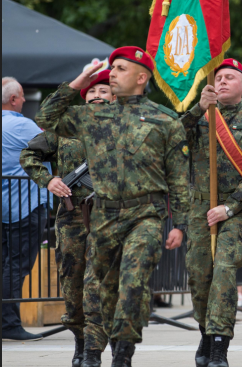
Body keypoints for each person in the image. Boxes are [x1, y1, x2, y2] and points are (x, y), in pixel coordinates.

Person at [33, 46, 189, 366]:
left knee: (132, 284)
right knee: (96, 288)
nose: (112, 74)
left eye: (120, 69)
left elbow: (178, 177)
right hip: (103, 214)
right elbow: (45, 118)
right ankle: (91, 352)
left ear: (141, 77)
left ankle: (123, 353)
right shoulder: (94, 115)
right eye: (112, 68)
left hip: (144, 215)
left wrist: (179, 223)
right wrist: (79, 81)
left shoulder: (164, 120)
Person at [179, 58, 242, 367]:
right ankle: (206, 333)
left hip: (235, 210)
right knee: (199, 274)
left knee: (223, 273)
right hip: (199, 209)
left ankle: (219, 347)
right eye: (218, 77)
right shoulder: (201, 119)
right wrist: (198, 108)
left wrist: (230, 206)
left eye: (230, 77)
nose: (222, 82)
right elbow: (173, 139)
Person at [19, 69, 114, 366]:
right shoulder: (65, 127)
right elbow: (29, 155)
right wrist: (47, 181)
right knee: (72, 284)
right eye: (92, 92)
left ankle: (93, 350)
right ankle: (80, 339)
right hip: (71, 218)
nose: (97, 96)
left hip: (108, 217)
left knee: (97, 283)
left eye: (104, 91)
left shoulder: (123, 127)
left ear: (115, 96)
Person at [2, 76, 50, 342]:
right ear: (14, 99)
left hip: (5, 206)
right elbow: (53, 150)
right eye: (22, 97)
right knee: (17, 265)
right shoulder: (23, 125)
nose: (23, 101)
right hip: (25, 205)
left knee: (5, 264)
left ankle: (7, 321)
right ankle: (8, 323)